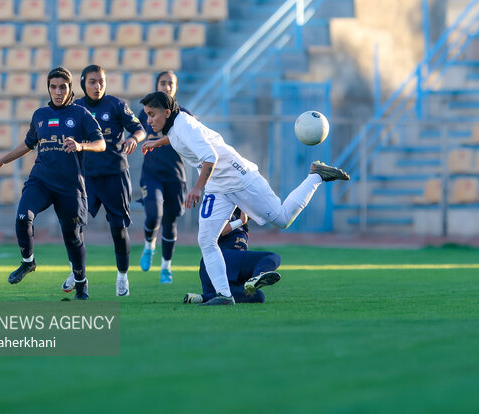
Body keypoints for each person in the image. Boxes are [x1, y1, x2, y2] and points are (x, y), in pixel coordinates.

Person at [140, 92, 350, 306]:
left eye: (151, 114)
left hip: (239, 178)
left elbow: (210, 158)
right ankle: (223, 294)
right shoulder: (177, 125)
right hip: (218, 186)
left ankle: (316, 175)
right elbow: (177, 138)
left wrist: (196, 188)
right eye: (147, 115)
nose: (148, 120)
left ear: (167, 112)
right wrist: (158, 143)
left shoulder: (185, 126)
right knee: (206, 239)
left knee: (283, 219)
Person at [0, 67, 105, 300]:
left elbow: (100, 143)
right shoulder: (40, 115)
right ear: (48, 88)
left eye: (63, 87)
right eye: (53, 87)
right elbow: (29, 143)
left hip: (70, 186)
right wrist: (2, 160)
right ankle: (28, 262)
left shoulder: (81, 115)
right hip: (41, 180)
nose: (57, 92)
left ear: (70, 89)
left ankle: (81, 282)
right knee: (22, 217)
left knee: (73, 237)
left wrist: (81, 146)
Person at [71, 65, 146, 297]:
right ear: (84, 83)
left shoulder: (116, 105)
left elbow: (139, 129)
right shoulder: (76, 108)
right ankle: (77, 272)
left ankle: (122, 276)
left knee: (118, 228)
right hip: (86, 176)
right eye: (92, 82)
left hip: (115, 174)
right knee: (75, 224)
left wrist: (133, 138)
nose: (98, 86)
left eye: (101, 81)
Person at [137, 71, 193, 284]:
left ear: (176, 88)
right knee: (154, 214)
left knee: (170, 222)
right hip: (151, 175)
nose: (167, 86)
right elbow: (136, 130)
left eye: (171, 83)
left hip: (175, 178)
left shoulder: (184, 115)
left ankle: (166, 268)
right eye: (163, 82)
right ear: (156, 85)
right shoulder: (145, 113)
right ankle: (149, 246)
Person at [183, 208, 282, 305]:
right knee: (272, 257)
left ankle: (205, 298)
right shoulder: (224, 211)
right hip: (217, 261)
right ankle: (256, 278)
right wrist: (241, 221)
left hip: (231, 270)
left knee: (258, 296)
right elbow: (215, 232)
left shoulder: (241, 223)